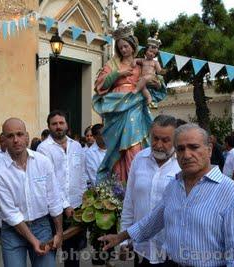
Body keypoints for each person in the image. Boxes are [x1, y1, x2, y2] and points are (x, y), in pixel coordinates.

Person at [99, 124, 234, 266]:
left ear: (209, 149)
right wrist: (120, 237)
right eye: (180, 149)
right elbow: (152, 222)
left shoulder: (231, 193)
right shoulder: (174, 186)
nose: (186, 155)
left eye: (194, 147)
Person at [92, 22, 167, 183]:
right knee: (116, 149)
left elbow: (155, 79)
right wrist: (117, 73)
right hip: (116, 107)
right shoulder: (112, 64)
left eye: (126, 46)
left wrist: (156, 82)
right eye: (120, 47)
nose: (123, 50)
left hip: (136, 104)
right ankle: (119, 186)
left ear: (133, 45)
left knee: (134, 146)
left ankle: (136, 183)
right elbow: (100, 85)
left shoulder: (141, 62)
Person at [0, 118, 63, 267]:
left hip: (42, 227)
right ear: (3, 140)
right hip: (12, 230)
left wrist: (59, 232)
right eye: (10, 136)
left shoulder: (43, 162)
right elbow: (10, 213)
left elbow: (54, 199)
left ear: (27, 136)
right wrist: (33, 240)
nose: (16, 140)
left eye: (20, 134)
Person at [121, 115, 181, 266]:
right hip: (142, 251)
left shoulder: (183, 164)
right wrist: (124, 240)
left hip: (172, 253)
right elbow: (129, 203)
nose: (159, 145)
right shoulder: (139, 159)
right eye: (155, 138)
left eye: (166, 140)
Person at [37, 110, 87, 267]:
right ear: (49, 127)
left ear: (67, 125)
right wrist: (66, 205)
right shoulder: (43, 149)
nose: (58, 126)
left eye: (61, 123)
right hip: (54, 209)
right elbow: (50, 182)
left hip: (77, 207)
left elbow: (82, 174)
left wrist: (85, 199)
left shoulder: (77, 146)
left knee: (72, 252)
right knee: (51, 248)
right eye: (54, 124)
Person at [132, 34, 166, 105]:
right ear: (146, 51)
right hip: (143, 79)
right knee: (142, 86)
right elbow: (135, 60)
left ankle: (136, 90)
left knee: (144, 79)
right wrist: (134, 63)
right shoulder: (143, 60)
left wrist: (163, 71)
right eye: (150, 51)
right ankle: (148, 97)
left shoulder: (155, 62)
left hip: (152, 77)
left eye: (154, 53)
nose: (152, 54)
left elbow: (159, 71)